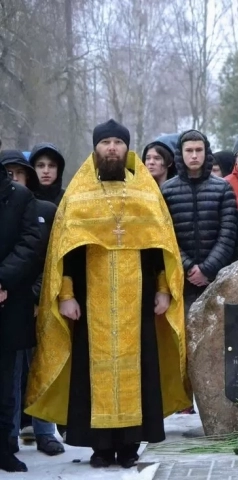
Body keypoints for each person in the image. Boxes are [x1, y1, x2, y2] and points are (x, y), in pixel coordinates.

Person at [25, 119, 192, 469]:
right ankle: (99, 447)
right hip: (90, 301)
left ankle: (130, 445)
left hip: (139, 300)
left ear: (127, 148)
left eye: (118, 142)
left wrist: (163, 290)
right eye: (106, 143)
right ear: (96, 149)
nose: (112, 148)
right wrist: (66, 294)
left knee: (139, 368)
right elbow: (64, 254)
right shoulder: (79, 194)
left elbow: (158, 249)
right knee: (91, 371)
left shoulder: (146, 193)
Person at [0, 151, 63, 457]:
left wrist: (38, 294)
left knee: (42, 365)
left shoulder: (47, 209)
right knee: (10, 374)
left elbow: (46, 258)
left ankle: (45, 430)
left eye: (19, 173)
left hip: (37, 298)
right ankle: (9, 434)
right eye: (7, 172)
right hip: (11, 297)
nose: (13, 178)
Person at [161, 130, 237, 318]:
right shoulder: (167, 190)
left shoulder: (222, 188)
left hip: (217, 277)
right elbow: (165, 235)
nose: (194, 155)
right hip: (181, 278)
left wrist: (207, 269)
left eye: (198, 150)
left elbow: (228, 233)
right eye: (189, 150)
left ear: (206, 152)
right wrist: (188, 267)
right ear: (180, 153)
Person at [0, 160, 41, 473]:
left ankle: (3, 447)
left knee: (5, 381)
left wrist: (3, 280)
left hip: (8, 300)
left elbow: (30, 243)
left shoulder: (20, 197)